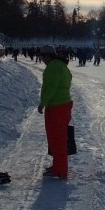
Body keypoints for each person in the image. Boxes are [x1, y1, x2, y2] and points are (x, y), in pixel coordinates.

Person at [38, 45, 74, 179]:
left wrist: (43, 103)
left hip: (56, 107)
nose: (41, 59)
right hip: (64, 105)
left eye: (42, 56)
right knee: (57, 138)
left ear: (47, 56)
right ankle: (58, 165)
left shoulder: (52, 67)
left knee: (57, 139)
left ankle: (60, 170)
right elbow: (69, 80)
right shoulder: (62, 65)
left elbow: (51, 88)